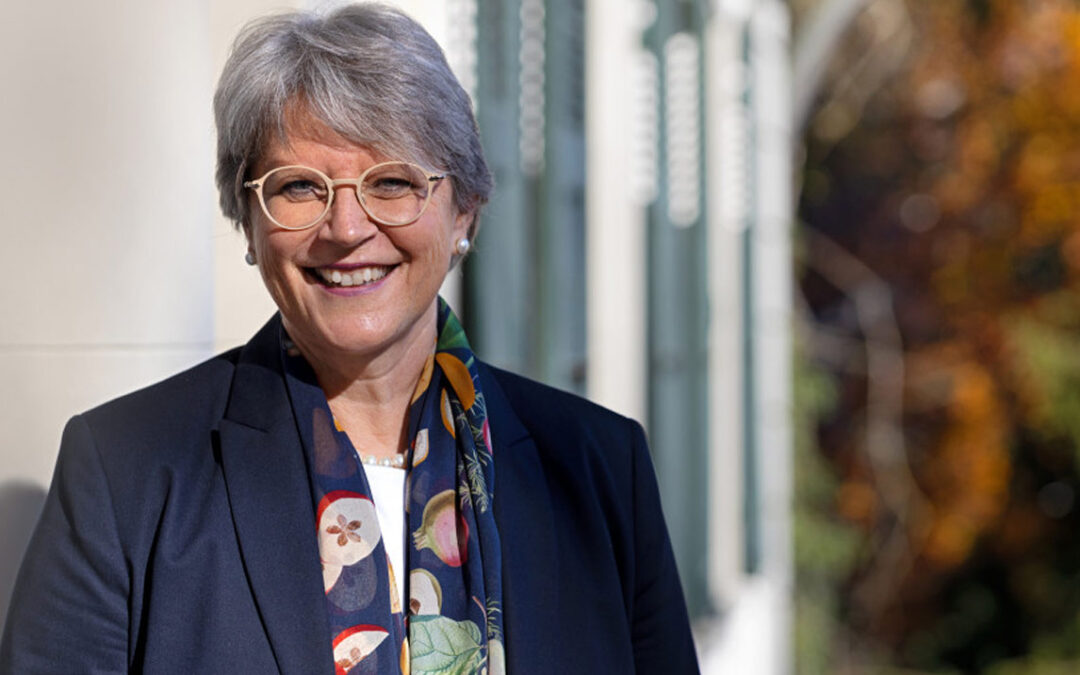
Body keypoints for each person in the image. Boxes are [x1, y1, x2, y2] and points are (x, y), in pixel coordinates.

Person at [0, 4, 698, 673]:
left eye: (391, 183)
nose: (345, 228)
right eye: (299, 187)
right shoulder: (126, 473)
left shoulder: (600, 469)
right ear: (248, 221)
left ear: (465, 213)